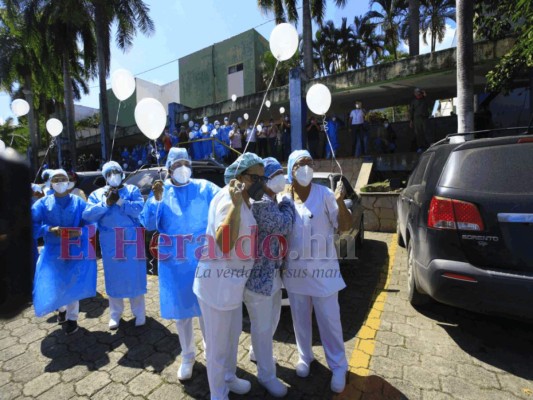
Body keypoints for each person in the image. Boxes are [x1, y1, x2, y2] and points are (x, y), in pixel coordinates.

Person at [141, 148, 220, 381]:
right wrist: (155, 201)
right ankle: (187, 355)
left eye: (185, 163)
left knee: (206, 310)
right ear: (168, 169)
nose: (182, 168)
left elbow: (225, 203)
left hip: (203, 258)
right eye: (177, 165)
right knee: (182, 313)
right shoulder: (161, 192)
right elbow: (147, 224)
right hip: (175, 262)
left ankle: (212, 353)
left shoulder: (204, 188)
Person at [192, 153, 264, 400]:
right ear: (241, 177)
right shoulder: (228, 200)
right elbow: (223, 244)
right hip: (217, 287)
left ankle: (229, 377)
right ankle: (218, 393)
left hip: (232, 285)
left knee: (232, 338)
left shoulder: (242, 199)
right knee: (217, 346)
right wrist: (234, 205)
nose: (261, 184)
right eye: (256, 178)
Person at [281, 150, 352, 393]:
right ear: (291, 170)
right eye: (301, 164)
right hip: (295, 274)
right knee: (300, 319)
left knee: (330, 321)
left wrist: (340, 201)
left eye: (310, 163)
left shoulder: (324, 195)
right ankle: (305, 356)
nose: (307, 168)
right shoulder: (284, 199)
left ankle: (339, 365)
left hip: (324, 275)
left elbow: (344, 227)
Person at [245, 157, 294, 398]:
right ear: (264, 180)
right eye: (276, 175)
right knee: (263, 327)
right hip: (258, 279)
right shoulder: (262, 204)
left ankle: (256, 352)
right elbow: (284, 225)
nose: (281, 179)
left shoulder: (271, 200)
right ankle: (266, 376)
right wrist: (289, 202)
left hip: (272, 275)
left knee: (272, 320)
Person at [31, 169, 97, 335]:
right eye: (56, 179)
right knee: (58, 283)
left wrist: (81, 232)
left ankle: (72, 318)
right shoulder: (42, 204)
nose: (60, 182)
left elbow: (91, 224)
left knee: (73, 283)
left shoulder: (78, 202)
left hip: (75, 249)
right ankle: (61, 309)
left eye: (63, 179)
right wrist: (49, 229)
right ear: (51, 183)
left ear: (68, 182)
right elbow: (31, 227)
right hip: (53, 252)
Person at [83, 161, 147, 329]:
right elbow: (88, 215)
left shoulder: (132, 190)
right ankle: (115, 314)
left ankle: (139, 312)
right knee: (113, 277)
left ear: (122, 173)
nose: (113, 175)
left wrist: (120, 202)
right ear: (105, 177)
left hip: (131, 240)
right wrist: (106, 203)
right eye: (109, 173)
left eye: (116, 172)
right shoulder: (97, 194)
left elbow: (139, 209)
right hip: (110, 241)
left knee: (135, 276)